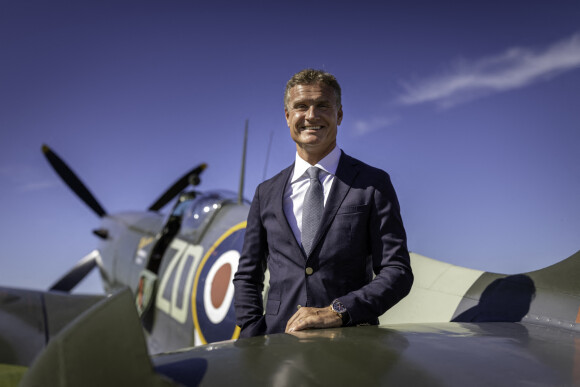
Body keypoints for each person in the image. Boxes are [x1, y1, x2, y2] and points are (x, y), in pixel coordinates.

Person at [233, 69, 413, 337]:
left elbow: (397, 271)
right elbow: (248, 276)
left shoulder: (374, 183)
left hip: (352, 343)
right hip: (277, 345)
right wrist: (251, 332)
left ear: (339, 115)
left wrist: (339, 310)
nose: (311, 116)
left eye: (322, 106)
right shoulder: (265, 192)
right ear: (287, 116)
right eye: (301, 107)